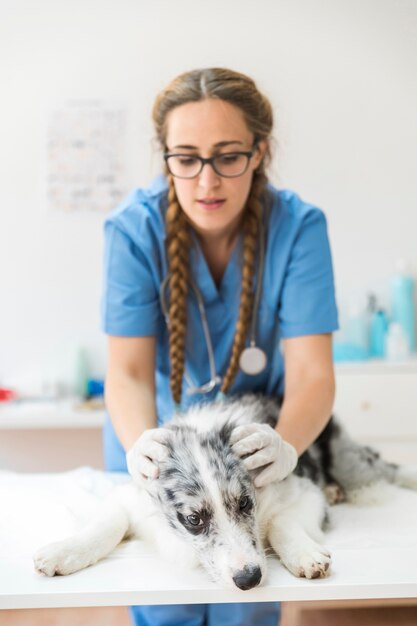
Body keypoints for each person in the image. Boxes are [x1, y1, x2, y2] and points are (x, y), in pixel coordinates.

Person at [101, 67, 338, 626]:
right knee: (168, 602)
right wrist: (143, 452)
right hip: (155, 434)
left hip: (253, 447)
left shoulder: (299, 228)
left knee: (248, 601)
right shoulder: (133, 232)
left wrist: (285, 447)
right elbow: (129, 374)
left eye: (228, 156)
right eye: (185, 158)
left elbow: (313, 376)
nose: (206, 182)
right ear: (165, 158)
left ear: (259, 153)